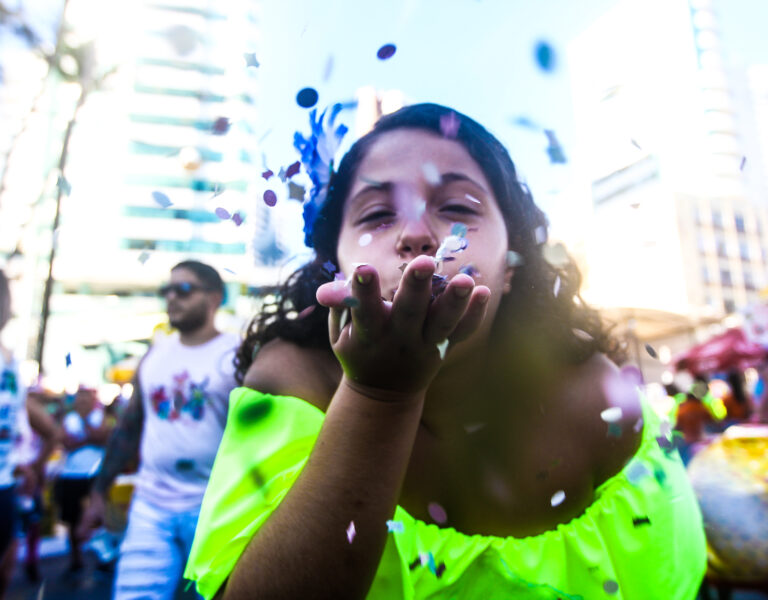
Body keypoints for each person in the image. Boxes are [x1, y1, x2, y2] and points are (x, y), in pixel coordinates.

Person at [184, 104, 707, 599]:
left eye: (457, 207)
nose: (417, 234)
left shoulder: (592, 394)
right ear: (334, 266)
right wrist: (377, 396)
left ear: (510, 268)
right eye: (376, 215)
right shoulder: (293, 380)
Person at [77, 260, 239, 599]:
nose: (171, 298)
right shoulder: (155, 355)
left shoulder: (237, 354)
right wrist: (99, 490)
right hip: (151, 506)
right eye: (166, 290)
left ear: (214, 298)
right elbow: (129, 427)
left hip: (216, 510)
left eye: (183, 289)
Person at [0, 270, 59, 596]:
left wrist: (26, 463)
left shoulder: (10, 360)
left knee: (7, 566)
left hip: (6, 485)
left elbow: (44, 427)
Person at [53, 386, 112, 572]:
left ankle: (104, 556)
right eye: (81, 397)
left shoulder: (98, 416)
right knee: (71, 519)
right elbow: (65, 442)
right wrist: (88, 438)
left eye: (87, 397)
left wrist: (85, 428)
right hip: (71, 475)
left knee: (100, 517)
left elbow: (104, 438)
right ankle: (76, 559)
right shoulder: (69, 419)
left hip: (95, 475)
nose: (83, 400)